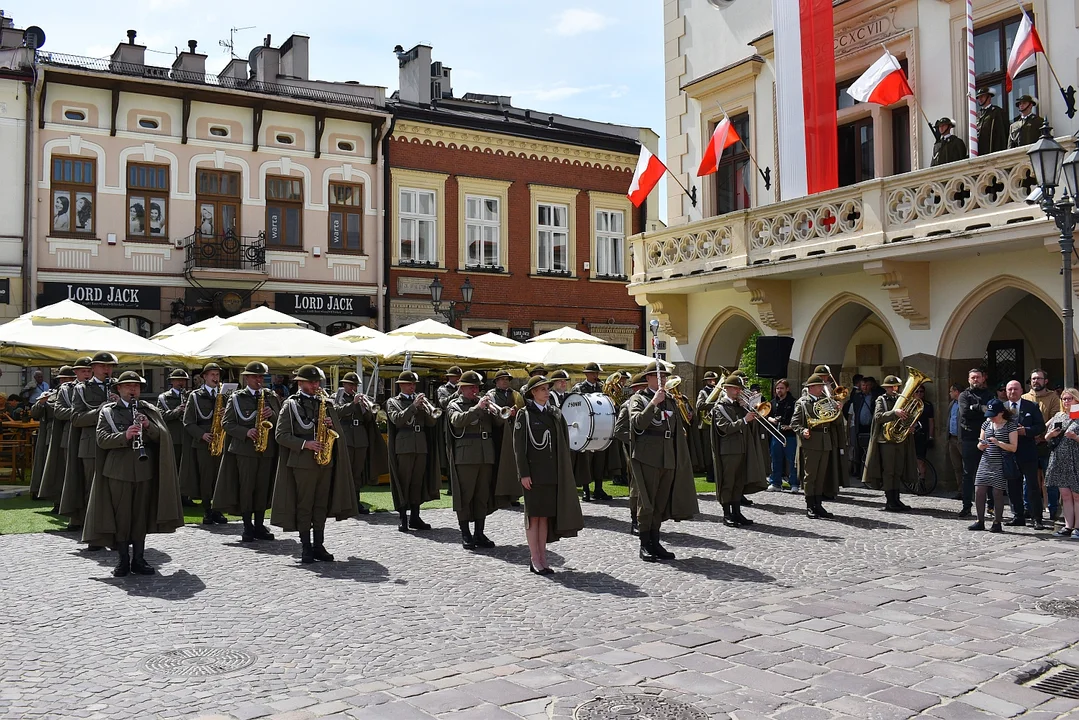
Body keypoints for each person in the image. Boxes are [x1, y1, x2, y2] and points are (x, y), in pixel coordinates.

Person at [82, 370, 183, 577]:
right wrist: (124, 435)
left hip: (144, 471)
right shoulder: (108, 411)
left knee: (139, 517)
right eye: (128, 386)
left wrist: (149, 427)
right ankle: (122, 560)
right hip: (118, 472)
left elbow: (162, 437)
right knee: (122, 517)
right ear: (118, 389)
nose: (132, 389)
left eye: (136, 386)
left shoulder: (148, 410)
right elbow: (101, 439)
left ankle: (138, 559)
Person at [270, 365, 357, 563]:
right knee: (305, 506)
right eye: (311, 382)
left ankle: (319, 545)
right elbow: (280, 435)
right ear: (300, 383)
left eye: (317, 382)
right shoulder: (291, 405)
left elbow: (338, 433)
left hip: (324, 461)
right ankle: (306, 547)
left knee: (320, 505)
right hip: (302, 463)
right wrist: (305, 444)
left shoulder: (324, 403)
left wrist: (330, 424)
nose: (315, 385)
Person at [509, 375, 583, 574]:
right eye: (542, 389)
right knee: (533, 518)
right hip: (533, 474)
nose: (547, 392)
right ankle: (535, 558)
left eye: (547, 389)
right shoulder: (525, 415)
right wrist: (523, 473)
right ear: (533, 393)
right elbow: (519, 448)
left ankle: (543, 556)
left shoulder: (553, 414)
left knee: (544, 518)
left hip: (550, 474)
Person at [627, 361, 699, 561]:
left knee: (660, 501)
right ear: (648, 378)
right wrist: (653, 403)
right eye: (659, 377)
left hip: (667, 455)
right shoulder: (639, 399)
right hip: (647, 456)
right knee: (647, 502)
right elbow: (637, 424)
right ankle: (644, 543)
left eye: (665, 377)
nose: (663, 380)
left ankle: (655, 541)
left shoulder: (670, 400)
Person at [212, 362, 283, 542]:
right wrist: (246, 432)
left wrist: (272, 415)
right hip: (244, 450)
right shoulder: (237, 398)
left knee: (262, 488)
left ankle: (259, 524)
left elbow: (281, 421)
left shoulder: (270, 396)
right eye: (255, 377)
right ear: (246, 378)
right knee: (246, 488)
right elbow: (226, 423)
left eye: (261, 377)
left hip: (266, 449)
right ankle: (247, 526)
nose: (259, 380)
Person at [61, 351, 118, 536]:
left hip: (114, 444)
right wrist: (100, 411)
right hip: (91, 445)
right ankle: (91, 530)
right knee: (90, 488)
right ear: (93, 368)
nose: (107, 369)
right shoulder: (81, 389)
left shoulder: (118, 386)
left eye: (109, 366)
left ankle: (112, 528)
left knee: (114, 489)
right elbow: (76, 418)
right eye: (103, 366)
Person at [446, 370, 504, 549]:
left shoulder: (485, 404)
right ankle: (465, 533)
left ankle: (479, 532)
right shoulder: (454, 404)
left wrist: (497, 412)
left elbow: (499, 423)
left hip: (486, 455)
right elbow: (457, 421)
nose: (475, 390)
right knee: (465, 495)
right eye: (471, 387)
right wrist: (477, 408)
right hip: (466, 456)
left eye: (477, 387)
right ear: (462, 388)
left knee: (481, 496)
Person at [385, 371, 442, 532]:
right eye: (409, 384)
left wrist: (427, 409)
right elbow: (397, 420)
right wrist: (413, 407)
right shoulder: (392, 402)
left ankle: (415, 517)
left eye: (414, 384)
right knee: (404, 481)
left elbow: (432, 422)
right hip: (404, 446)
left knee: (417, 482)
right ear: (401, 385)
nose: (412, 387)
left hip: (421, 445)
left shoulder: (421, 402)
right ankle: (403, 517)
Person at [710, 375, 768, 527]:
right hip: (728, 450)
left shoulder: (739, 406)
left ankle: (736, 512)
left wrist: (747, 408)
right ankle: (727, 513)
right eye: (735, 389)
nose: (738, 392)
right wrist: (744, 420)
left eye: (739, 389)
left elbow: (751, 426)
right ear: (727, 389)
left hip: (742, 448)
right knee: (728, 482)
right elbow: (726, 428)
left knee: (739, 483)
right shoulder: (720, 407)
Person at [39, 359, 91, 509]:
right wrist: (81, 414)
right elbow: (59, 412)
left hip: (90, 436)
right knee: (69, 474)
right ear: (76, 373)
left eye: (89, 370)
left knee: (88, 476)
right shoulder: (66, 390)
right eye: (83, 371)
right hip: (69, 436)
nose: (86, 374)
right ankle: (66, 506)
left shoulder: (99, 388)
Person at [333, 371, 387, 515]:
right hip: (346, 437)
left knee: (357, 472)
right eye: (350, 385)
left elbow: (369, 419)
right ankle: (343, 503)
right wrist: (353, 404)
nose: (353, 387)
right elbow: (336, 412)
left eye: (355, 385)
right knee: (345, 471)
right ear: (344, 384)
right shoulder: (338, 397)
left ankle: (356, 502)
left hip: (360, 438)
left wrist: (366, 409)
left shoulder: (362, 399)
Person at [180, 362, 228, 525]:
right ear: (204, 377)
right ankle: (207, 510)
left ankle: (218, 509)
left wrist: (225, 415)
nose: (215, 378)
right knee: (206, 478)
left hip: (221, 439)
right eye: (212, 375)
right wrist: (202, 435)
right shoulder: (195, 396)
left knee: (220, 478)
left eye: (217, 375)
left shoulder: (225, 395)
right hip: (203, 442)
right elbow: (188, 422)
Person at [792, 374, 843, 519]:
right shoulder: (802, 403)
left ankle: (818, 504)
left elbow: (836, 422)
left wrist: (838, 410)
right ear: (812, 387)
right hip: (811, 441)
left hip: (825, 440)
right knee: (811, 475)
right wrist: (803, 431)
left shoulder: (826, 401)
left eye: (822, 386)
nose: (823, 388)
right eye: (820, 386)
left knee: (821, 475)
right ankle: (810, 505)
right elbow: (795, 423)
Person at [862, 375, 916, 512]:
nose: (895, 389)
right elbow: (878, 417)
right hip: (886, 440)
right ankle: (890, 500)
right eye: (891, 387)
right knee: (889, 471)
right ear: (886, 388)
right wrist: (894, 412)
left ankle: (896, 499)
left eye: (896, 386)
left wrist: (909, 426)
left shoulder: (902, 400)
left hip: (899, 439)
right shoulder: (881, 399)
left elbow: (906, 417)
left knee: (898, 470)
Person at [969, 398, 1018, 533]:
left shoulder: (1010, 426)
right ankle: (980, 521)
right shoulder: (986, 424)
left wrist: (998, 443)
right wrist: (981, 445)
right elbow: (979, 444)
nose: (992, 418)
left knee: (997, 493)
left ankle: (997, 522)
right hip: (985, 461)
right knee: (979, 491)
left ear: (1001, 413)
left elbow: (1013, 447)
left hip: (1000, 463)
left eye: (994, 415)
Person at [1003, 380, 1046, 529]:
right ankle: (1018, 515)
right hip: (1009, 454)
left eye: (1015, 389)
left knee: (1032, 485)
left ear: (1022, 390)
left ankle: (1037, 518)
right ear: (1006, 392)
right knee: (1012, 486)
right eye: (1009, 389)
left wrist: (1026, 431)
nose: (1012, 392)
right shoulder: (1002, 408)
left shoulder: (1031, 406)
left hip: (1028, 452)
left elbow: (1040, 426)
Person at [1024, 369, 1062, 522]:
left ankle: (1053, 510)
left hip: (1047, 445)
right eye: (1033, 379)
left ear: (1045, 381)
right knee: (1028, 480)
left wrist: (1041, 436)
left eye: (1039, 378)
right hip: (1029, 444)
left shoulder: (1053, 397)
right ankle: (1028, 508)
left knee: (1050, 479)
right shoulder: (1025, 397)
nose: (1036, 381)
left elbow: (1055, 418)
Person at [957, 368, 994, 517]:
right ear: (968, 379)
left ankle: (991, 506)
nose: (975, 380)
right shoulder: (963, 395)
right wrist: (980, 408)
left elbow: (991, 413)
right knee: (968, 473)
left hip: (987, 438)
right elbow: (965, 412)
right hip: (969, 438)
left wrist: (976, 408)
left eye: (978, 377)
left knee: (990, 472)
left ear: (983, 378)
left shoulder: (989, 394)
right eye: (973, 377)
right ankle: (966, 505)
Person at [614, 373, 648, 534]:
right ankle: (635, 520)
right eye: (643, 386)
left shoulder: (649, 403)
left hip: (650, 451)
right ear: (635, 388)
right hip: (633, 450)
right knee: (636, 486)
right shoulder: (627, 405)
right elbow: (619, 431)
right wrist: (636, 439)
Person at [29, 367, 69, 500]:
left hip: (67, 436)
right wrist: (41, 402)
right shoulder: (52, 394)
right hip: (50, 436)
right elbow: (35, 412)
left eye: (68, 379)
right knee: (50, 468)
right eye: (62, 379)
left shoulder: (78, 394)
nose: (65, 382)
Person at [572, 361, 610, 502]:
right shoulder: (579, 388)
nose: (596, 375)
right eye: (593, 373)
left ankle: (599, 488)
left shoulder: (602, 388)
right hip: (586, 427)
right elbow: (575, 406)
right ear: (586, 374)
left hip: (601, 426)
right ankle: (586, 490)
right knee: (586, 461)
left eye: (597, 373)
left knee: (600, 459)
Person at [1045, 388, 1079, 537]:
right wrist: (1051, 434)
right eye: (1064, 399)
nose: (1066, 402)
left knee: (1076, 494)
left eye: (1069, 399)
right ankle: (1068, 526)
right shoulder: (1059, 415)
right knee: (1065, 495)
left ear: (1076, 400)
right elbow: (1046, 437)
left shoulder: (1077, 415)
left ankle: (1078, 527)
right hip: (1059, 458)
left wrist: (1076, 438)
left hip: (1075, 458)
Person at [765, 379, 797, 493]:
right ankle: (775, 483)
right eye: (777, 388)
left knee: (792, 460)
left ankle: (794, 483)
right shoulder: (773, 402)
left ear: (787, 389)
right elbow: (766, 415)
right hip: (776, 435)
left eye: (781, 388)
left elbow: (798, 418)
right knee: (775, 459)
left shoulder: (794, 402)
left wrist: (790, 426)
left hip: (790, 435)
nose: (779, 390)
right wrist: (772, 419)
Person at [157, 369, 189, 472]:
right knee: (174, 466)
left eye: (183, 380)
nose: (181, 382)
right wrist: (177, 411)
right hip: (173, 436)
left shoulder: (190, 396)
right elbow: (161, 416)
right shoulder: (164, 397)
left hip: (187, 436)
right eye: (178, 380)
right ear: (172, 381)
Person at [695, 371, 719, 486]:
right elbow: (699, 406)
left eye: (713, 380)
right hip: (706, 424)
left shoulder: (719, 391)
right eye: (710, 380)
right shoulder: (703, 392)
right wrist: (714, 404)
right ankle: (710, 474)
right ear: (706, 381)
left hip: (717, 423)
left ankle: (717, 473)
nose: (712, 382)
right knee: (708, 450)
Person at [912, 385, 935, 485]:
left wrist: (931, 436)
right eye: (916, 392)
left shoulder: (928, 405)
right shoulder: (908, 404)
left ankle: (921, 483)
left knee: (921, 459)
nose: (919, 394)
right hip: (909, 435)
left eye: (921, 392)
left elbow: (931, 422)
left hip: (921, 434)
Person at [975, 87, 1009, 155]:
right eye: (978, 97)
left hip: (993, 150)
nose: (980, 99)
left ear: (989, 97)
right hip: (980, 151)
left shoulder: (996, 112)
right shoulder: (977, 115)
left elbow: (1001, 133)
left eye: (982, 96)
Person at [946, 383, 964, 497]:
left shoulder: (964, 403)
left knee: (967, 466)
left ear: (956, 391)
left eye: (951, 391)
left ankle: (970, 490)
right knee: (957, 467)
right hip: (952, 438)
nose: (950, 393)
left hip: (962, 439)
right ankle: (960, 490)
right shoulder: (952, 404)